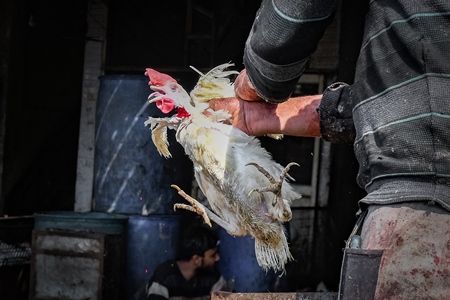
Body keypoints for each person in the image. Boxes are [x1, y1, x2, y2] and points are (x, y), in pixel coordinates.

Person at [209, 0, 450, 299]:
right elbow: (396, 107)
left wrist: (259, 79)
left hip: (424, 221)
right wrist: (258, 118)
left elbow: (295, 13)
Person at [145, 225, 226, 300]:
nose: (217, 258)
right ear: (196, 259)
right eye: (213, 255)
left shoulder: (213, 277)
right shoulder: (164, 277)